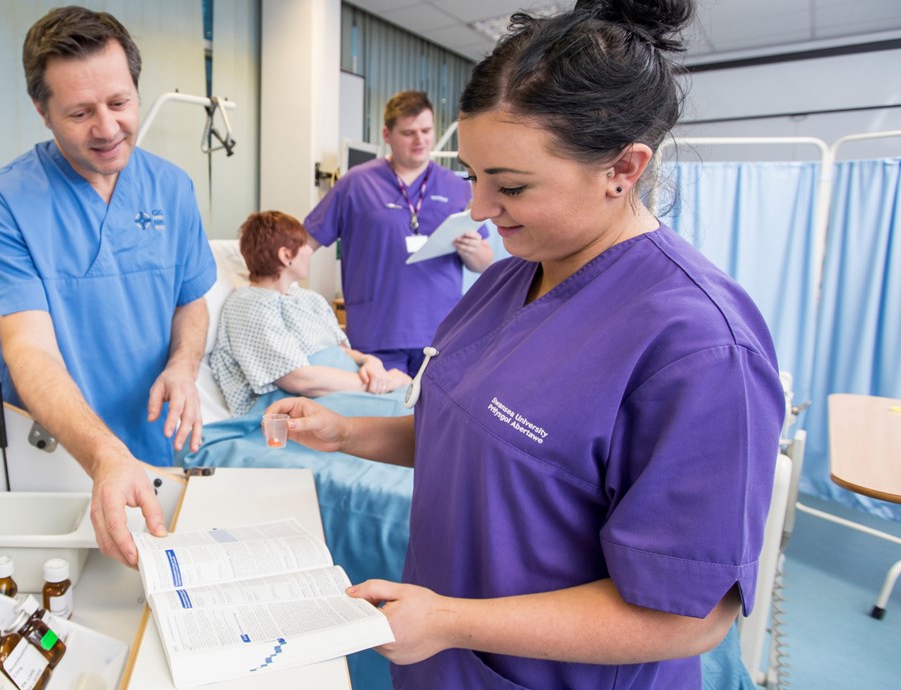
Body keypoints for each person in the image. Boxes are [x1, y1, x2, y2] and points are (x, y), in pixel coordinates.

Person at [269, 0, 787, 686]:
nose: (479, 209)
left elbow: (691, 614)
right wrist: (345, 433)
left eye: (509, 185)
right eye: (476, 176)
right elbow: (469, 443)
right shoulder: (506, 281)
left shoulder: (699, 348)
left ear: (622, 170)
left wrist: (455, 621)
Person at [0, 6, 217, 568]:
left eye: (119, 103)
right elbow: (27, 348)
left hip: (158, 446)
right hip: (63, 455)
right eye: (80, 112)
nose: (107, 129)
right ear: (42, 110)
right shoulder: (6, 203)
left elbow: (190, 300)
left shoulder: (172, 188)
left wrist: (183, 366)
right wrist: (104, 453)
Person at [304, 90, 494, 376]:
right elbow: (305, 244)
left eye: (426, 130)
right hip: (376, 333)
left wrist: (473, 250)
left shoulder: (456, 187)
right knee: (379, 416)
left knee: (430, 418)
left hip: (438, 334)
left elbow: (485, 262)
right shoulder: (357, 183)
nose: (420, 140)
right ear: (387, 134)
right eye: (408, 132)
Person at [208, 211, 411, 417]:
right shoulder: (250, 305)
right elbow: (299, 380)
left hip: (343, 389)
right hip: (297, 402)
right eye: (304, 245)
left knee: (418, 401)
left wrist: (370, 362)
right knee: (408, 415)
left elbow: (340, 350)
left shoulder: (308, 299)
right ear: (286, 255)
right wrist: (381, 384)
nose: (309, 251)